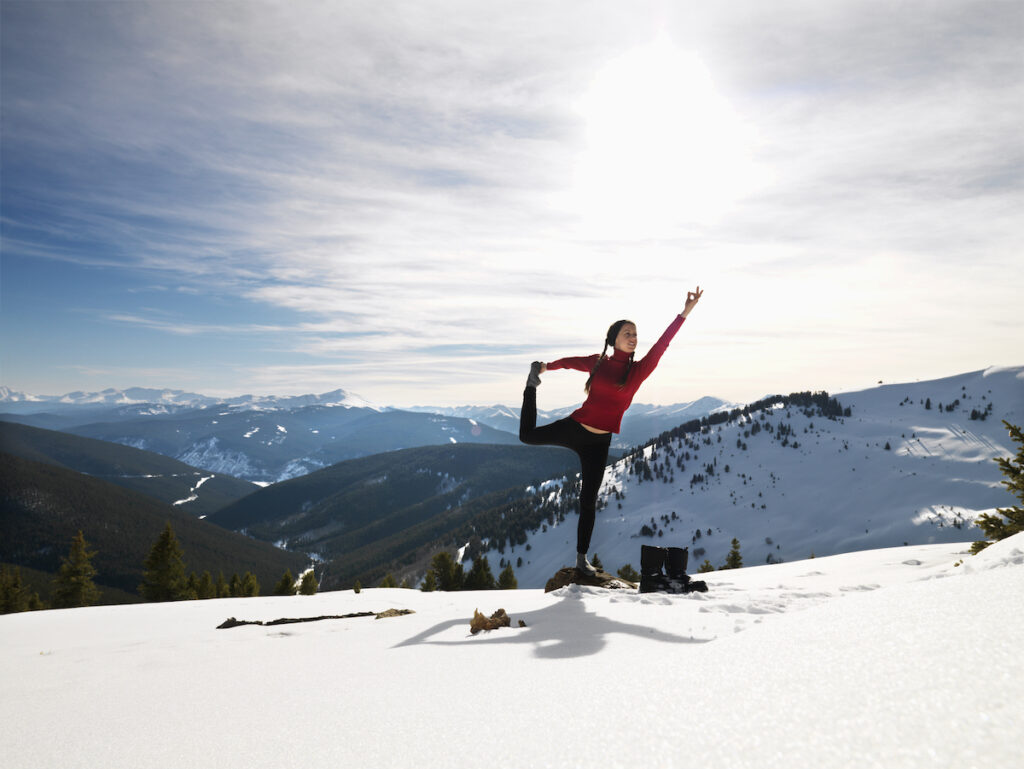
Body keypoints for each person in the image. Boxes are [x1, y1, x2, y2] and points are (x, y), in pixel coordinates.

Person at [519, 287, 703, 576]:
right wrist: (545, 367)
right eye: (627, 333)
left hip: (599, 443)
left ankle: (581, 559)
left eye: (635, 334)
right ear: (614, 339)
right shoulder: (598, 362)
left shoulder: (638, 371)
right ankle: (530, 387)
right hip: (574, 428)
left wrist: (685, 312)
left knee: (588, 501)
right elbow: (571, 362)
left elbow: (662, 344)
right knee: (527, 436)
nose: (633, 337)